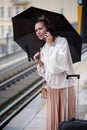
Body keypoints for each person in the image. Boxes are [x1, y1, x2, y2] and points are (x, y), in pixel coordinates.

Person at [33, 15, 76, 130]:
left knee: (65, 124)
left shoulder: (62, 42)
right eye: (36, 30)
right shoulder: (44, 48)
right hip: (52, 90)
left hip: (64, 89)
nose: (38, 32)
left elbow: (57, 68)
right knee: (53, 123)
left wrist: (51, 44)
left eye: (40, 28)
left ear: (48, 28)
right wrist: (40, 63)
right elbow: (46, 74)